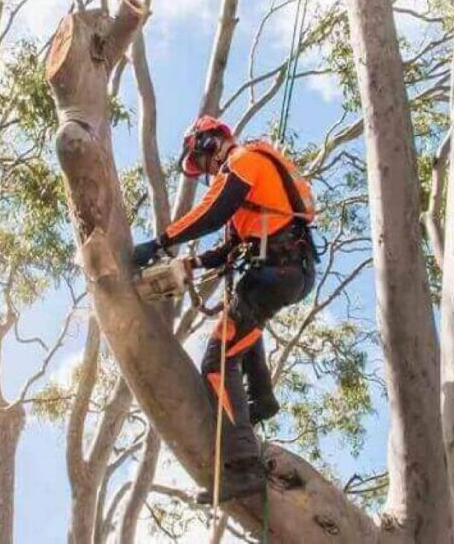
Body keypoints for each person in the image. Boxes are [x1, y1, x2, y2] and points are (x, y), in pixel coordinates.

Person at [133, 115, 318, 504]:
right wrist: (189, 265)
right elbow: (226, 248)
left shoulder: (245, 161)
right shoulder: (248, 188)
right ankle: (263, 397)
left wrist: (160, 241)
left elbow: (211, 212)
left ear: (209, 142)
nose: (204, 171)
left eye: (201, 162)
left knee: (216, 361)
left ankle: (243, 467)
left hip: (278, 270)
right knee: (241, 329)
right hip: (284, 269)